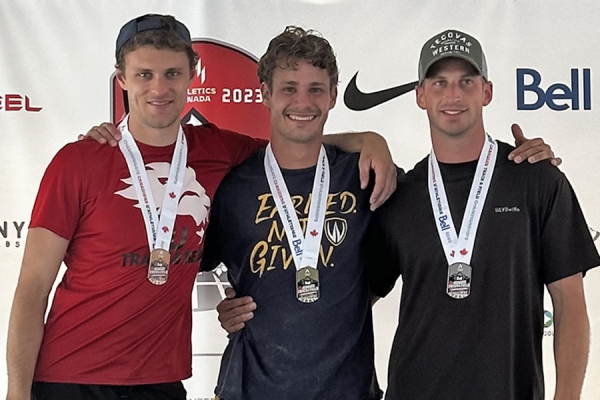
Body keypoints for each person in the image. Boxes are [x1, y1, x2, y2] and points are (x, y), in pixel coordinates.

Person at [5, 14, 397, 400]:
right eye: (144, 74)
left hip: (160, 381)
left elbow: (295, 144)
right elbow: (32, 290)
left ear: (192, 73)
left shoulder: (218, 152)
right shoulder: (78, 161)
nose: (159, 88)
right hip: (70, 377)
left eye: (172, 74)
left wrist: (368, 138)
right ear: (121, 79)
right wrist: (17, 393)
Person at [197, 27, 560, 400]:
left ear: (334, 96)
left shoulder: (368, 176)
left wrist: (529, 169)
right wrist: (225, 307)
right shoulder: (233, 188)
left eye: (316, 89)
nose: (302, 102)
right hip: (248, 389)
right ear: (265, 95)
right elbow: (190, 271)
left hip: (349, 390)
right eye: (289, 88)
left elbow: (432, 233)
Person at [363, 29, 599, 400]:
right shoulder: (400, 196)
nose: (453, 95)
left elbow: (569, 302)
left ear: (486, 91)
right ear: (420, 96)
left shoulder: (538, 181)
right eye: (439, 82)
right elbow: (355, 300)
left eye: (466, 82)